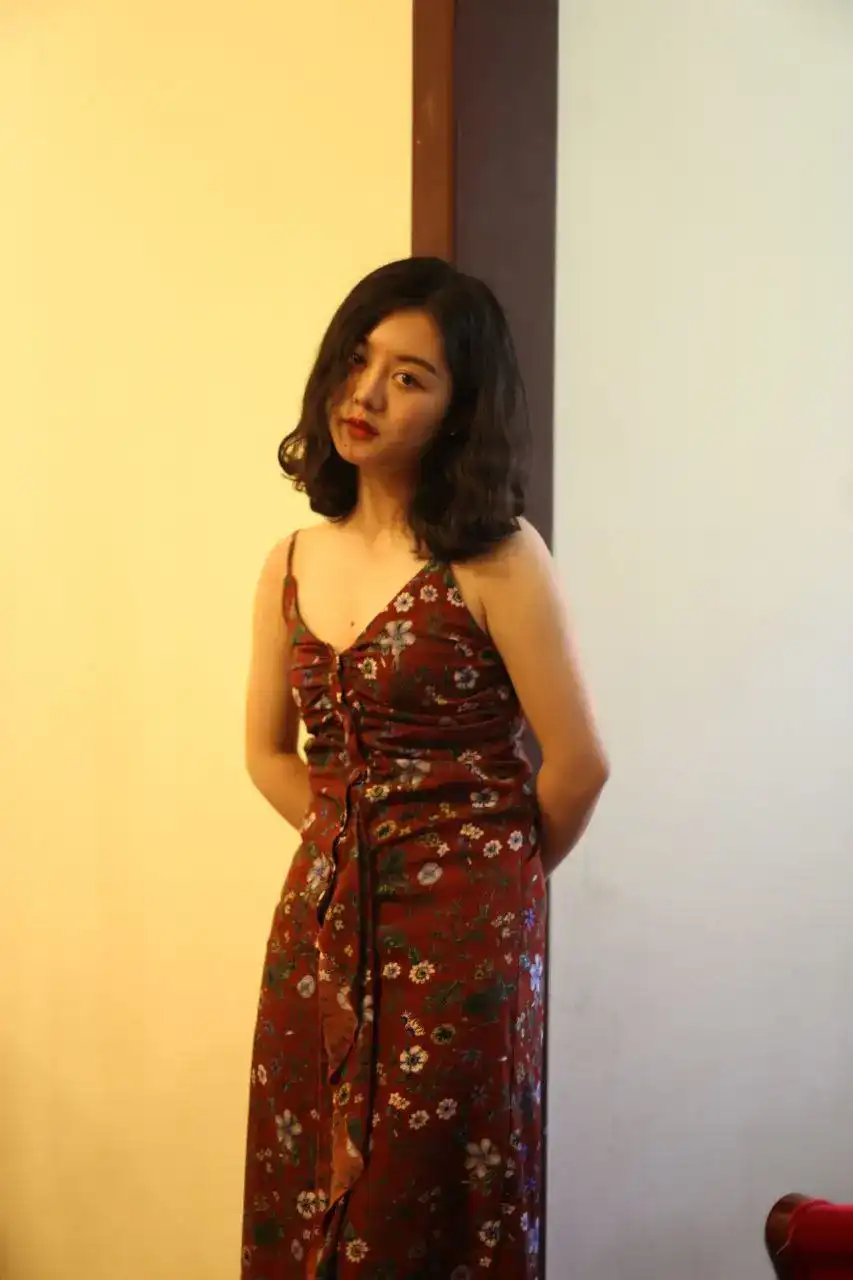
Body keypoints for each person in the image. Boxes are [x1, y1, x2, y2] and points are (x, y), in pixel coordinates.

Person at [242, 257, 608, 1279]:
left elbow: (578, 765)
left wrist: (483, 881)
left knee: (431, 1200)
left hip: (462, 946)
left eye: (409, 376)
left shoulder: (499, 556)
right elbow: (268, 753)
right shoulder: (289, 560)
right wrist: (347, 845)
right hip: (319, 921)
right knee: (305, 1175)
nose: (366, 393)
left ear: (458, 408)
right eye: (357, 360)